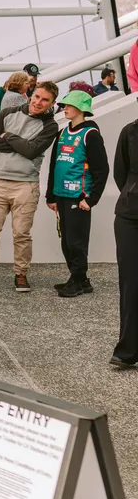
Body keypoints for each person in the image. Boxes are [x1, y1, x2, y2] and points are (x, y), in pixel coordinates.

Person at [0, 82, 59, 293]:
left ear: (52, 103)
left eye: (45, 100)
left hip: (26, 185)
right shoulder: (6, 113)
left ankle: (21, 274)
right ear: (30, 95)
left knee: (22, 233)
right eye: (37, 96)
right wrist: (21, 144)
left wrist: (9, 137)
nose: (39, 102)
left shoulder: (50, 126)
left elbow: (32, 151)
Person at [45, 91, 108, 298]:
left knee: (76, 241)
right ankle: (78, 277)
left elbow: (101, 170)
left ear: (81, 108)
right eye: (64, 105)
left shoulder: (91, 134)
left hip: (78, 197)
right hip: (61, 195)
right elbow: (54, 165)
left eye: (69, 105)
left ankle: (79, 280)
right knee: (66, 240)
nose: (65, 108)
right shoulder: (62, 132)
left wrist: (91, 199)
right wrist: (51, 196)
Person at [112, 113, 138, 368]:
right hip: (130, 217)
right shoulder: (129, 132)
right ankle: (127, 350)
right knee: (131, 283)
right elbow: (121, 173)